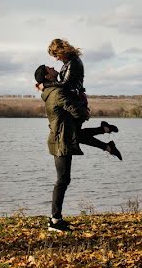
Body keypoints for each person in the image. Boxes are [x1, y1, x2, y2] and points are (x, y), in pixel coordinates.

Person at [35, 64, 121, 232]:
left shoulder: (51, 90)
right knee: (62, 180)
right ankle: (55, 221)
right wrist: (84, 113)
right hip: (60, 142)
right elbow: (75, 110)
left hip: (61, 137)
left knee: (75, 139)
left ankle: (106, 136)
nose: (53, 67)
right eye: (49, 68)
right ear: (47, 76)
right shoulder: (57, 93)